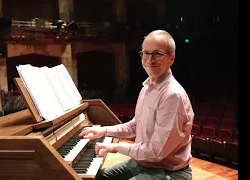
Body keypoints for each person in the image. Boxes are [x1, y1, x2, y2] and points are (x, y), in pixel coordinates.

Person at [79, 29, 194, 180]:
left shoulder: (172, 95)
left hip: (168, 172)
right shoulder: (147, 87)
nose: (150, 59)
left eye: (157, 54)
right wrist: (103, 131)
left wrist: (116, 147)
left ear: (171, 58)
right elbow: (135, 126)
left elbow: (156, 151)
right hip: (144, 164)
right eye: (146, 53)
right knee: (97, 177)